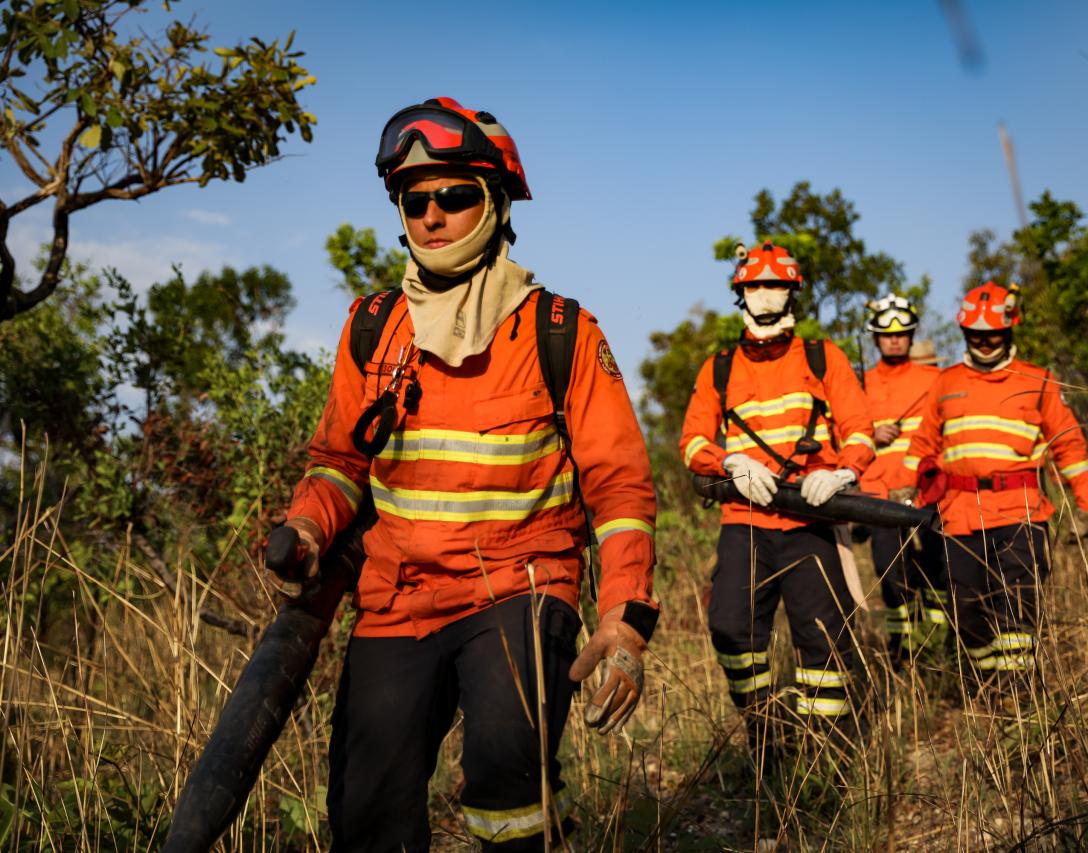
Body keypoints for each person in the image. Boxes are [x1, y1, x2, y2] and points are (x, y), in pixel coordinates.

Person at [277, 97, 659, 851]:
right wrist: (306, 523)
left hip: (519, 592)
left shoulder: (561, 332)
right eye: (414, 200)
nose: (432, 215)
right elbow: (340, 463)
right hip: (397, 600)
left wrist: (623, 617)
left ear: (497, 202)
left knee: (507, 785)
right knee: (366, 807)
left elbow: (619, 488)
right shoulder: (372, 327)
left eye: (454, 195)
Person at [679, 242, 876, 750]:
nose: (765, 296)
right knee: (729, 627)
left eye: (775, 285)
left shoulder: (822, 356)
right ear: (740, 292)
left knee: (822, 639)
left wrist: (842, 472)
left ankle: (821, 754)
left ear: (792, 292)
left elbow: (860, 430)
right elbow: (693, 441)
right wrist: (728, 461)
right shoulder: (717, 368)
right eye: (754, 285)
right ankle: (762, 731)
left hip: (812, 516)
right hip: (744, 520)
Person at [904, 281, 1088, 693]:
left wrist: (1087, 504)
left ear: (1009, 330)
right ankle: (986, 683)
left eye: (992, 331)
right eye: (975, 333)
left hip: (1020, 512)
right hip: (958, 514)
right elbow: (923, 445)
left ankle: (1017, 697)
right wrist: (908, 491)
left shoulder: (1038, 380)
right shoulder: (945, 382)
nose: (984, 340)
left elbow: (1069, 445)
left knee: (1017, 606)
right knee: (966, 610)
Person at [857, 296, 948, 664]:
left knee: (938, 569)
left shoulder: (935, 379)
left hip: (928, 492)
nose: (894, 340)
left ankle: (940, 644)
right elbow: (843, 433)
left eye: (902, 334)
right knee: (890, 574)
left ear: (911, 336)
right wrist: (870, 433)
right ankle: (904, 651)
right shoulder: (859, 385)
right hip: (879, 495)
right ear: (876, 339)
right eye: (886, 335)